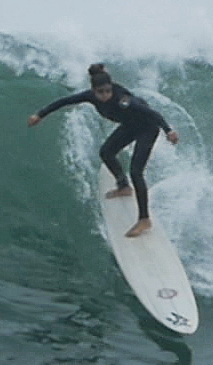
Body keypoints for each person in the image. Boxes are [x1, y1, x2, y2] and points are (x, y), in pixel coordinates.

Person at [27, 63, 180, 237]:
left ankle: (144, 219)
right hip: (130, 126)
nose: (106, 95)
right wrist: (40, 115)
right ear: (93, 91)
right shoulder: (90, 96)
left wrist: (169, 130)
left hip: (147, 128)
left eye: (108, 90)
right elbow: (64, 101)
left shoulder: (123, 100)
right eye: (101, 92)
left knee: (136, 172)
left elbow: (151, 113)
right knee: (106, 153)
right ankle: (123, 186)